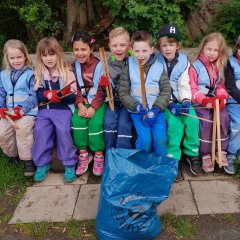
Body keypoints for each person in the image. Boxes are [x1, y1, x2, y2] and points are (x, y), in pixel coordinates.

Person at [157, 24, 202, 179]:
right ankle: (173, 158)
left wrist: (185, 101)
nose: (168, 49)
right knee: (175, 126)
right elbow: (158, 86)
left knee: (193, 121)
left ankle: (192, 153)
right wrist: (170, 103)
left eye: (171, 45)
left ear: (178, 45)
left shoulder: (184, 61)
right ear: (159, 46)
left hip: (180, 100)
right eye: (164, 45)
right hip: (164, 102)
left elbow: (184, 83)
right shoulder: (155, 62)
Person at [118, 30, 171, 156]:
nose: (140, 55)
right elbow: (123, 92)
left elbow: (166, 91)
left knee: (160, 141)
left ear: (151, 50)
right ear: (131, 49)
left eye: (144, 51)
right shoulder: (129, 66)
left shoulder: (159, 66)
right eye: (136, 51)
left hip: (157, 112)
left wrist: (156, 109)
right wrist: (136, 106)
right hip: (138, 112)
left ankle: (160, 167)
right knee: (145, 140)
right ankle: (142, 165)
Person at [32, 37, 77, 182]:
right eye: (44, 55)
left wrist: (61, 96)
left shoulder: (67, 71)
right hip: (44, 110)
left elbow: (73, 96)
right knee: (39, 129)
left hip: (63, 109)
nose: (49, 58)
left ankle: (69, 163)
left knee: (63, 130)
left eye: (52, 54)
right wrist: (46, 94)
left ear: (58, 54)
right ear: (40, 57)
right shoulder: (39, 73)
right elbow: (38, 95)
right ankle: (42, 163)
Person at [189, 32, 230, 173]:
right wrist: (205, 100)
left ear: (220, 52)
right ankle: (206, 154)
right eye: (209, 49)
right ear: (203, 48)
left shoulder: (219, 65)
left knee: (224, 116)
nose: (212, 53)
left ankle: (221, 150)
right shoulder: (195, 66)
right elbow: (192, 89)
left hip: (215, 101)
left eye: (215, 50)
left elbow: (220, 85)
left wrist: (221, 98)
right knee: (206, 120)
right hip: (200, 102)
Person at [0, 39, 37, 176]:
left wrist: (21, 109)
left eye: (19, 57)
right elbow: (1, 94)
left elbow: (34, 96)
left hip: (26, 111)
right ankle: (13, 155)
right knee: (2, 132)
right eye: (12, 58)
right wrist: (1, 107)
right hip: (8, 112)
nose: (16, 61)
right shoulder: (3, 75)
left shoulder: (31, 73)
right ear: (7, 59)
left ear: (25, 56)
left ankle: (28, 160)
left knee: (22, 129)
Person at [71, 31, 106, 176]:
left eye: (83, 49)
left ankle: (98, 154)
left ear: (91, 49)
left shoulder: (99, 65)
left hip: (97, 102)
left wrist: (92, 107)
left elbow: (102, 89)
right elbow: (75, 88)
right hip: (82, 102)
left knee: (95, 122)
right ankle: (84, 154)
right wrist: (79, 105)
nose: (80, 53)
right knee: (76, 121)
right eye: (76, 49)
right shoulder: (74, 66)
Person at [99, 27, 134, 150]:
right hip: (113, 102)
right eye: (114, 46)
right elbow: (107, 92)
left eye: (122, 45)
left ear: (129, 45)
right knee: (108, 123)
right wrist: (105, 86)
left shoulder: (135, 62)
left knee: (124, 124)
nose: (118, 49)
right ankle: (110, 154)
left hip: (129, 103)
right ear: (109, 46)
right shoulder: (107, 65)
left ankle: (123, 156)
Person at [224, 36, 240, 174]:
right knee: (238, 123)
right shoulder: (230, 63)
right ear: (237, 46)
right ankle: (231, 153)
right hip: (234, 101)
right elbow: (230, 86)